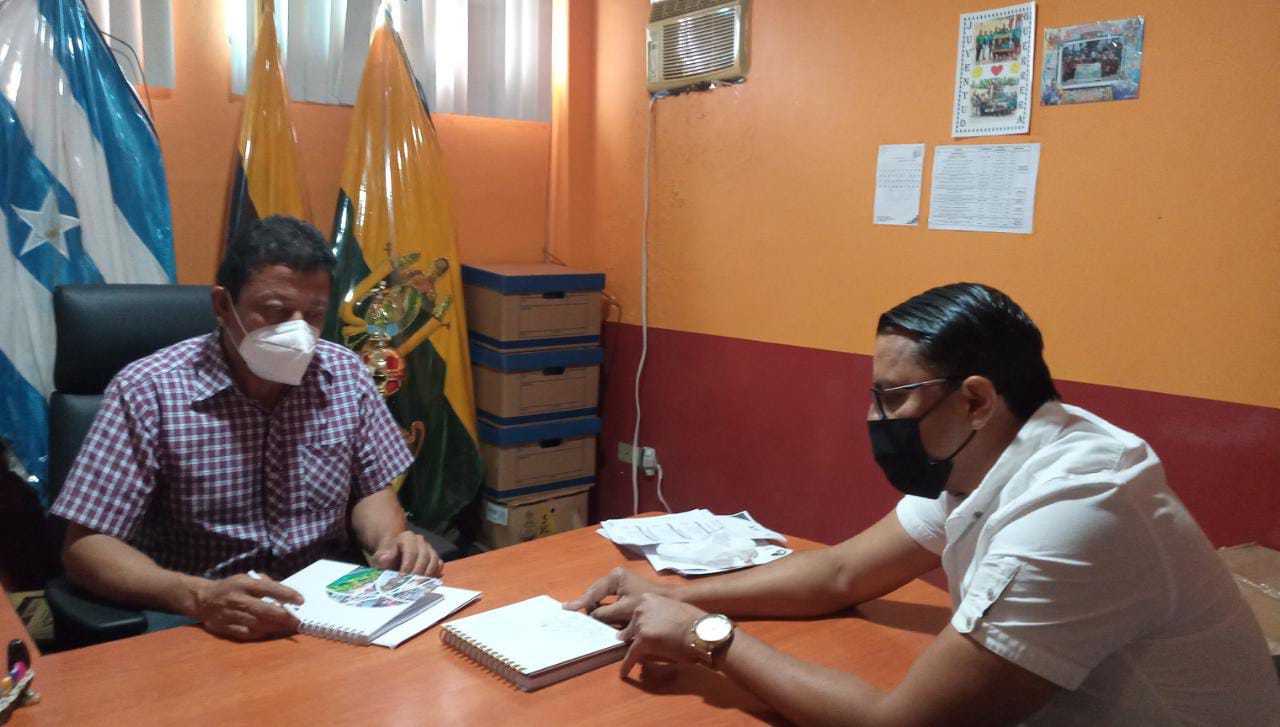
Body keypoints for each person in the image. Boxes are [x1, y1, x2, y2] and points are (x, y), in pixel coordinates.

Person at [566, 283, 1280, 725]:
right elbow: (843, 572)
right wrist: (669, 594)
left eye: (894, 396)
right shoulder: (1000, 447)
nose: (875, 418)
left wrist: (707, 638)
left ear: (976, 399)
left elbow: (899, 724)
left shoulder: (1078, 509)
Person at [51, 216, 441, 641]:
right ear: (223, 305)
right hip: (200, 613)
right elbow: (86, 547)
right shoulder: (147, 390)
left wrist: (391, 543)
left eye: (313, 315)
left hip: (330, 611)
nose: (298, 331)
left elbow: (371, 489)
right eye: (275, 312)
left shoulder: (345, 374)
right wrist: (199, 597)